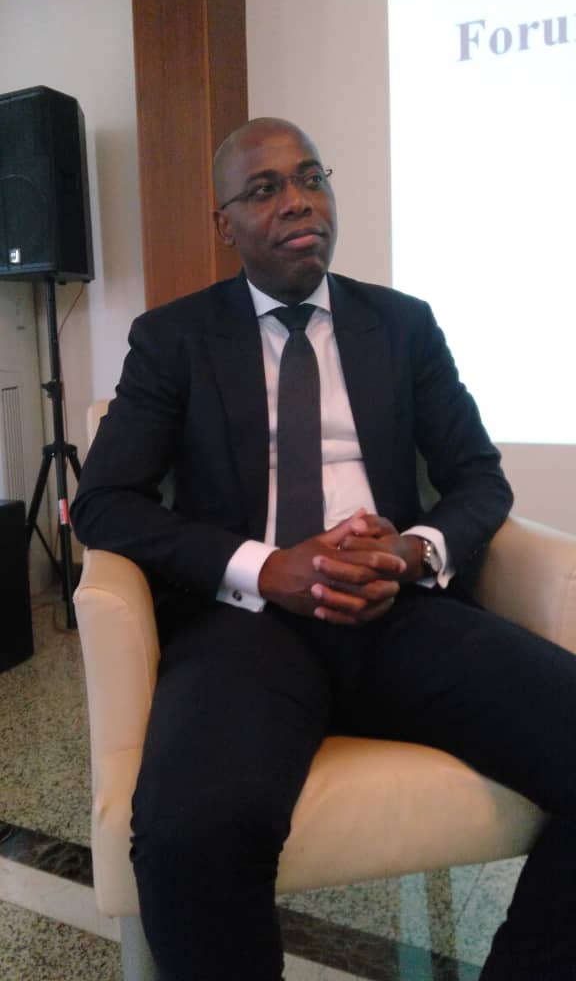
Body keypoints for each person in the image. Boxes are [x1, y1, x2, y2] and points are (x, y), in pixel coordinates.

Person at [71, 117, 576, 981]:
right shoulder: (175, 337)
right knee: (190, 836)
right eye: (265, 188)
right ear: (224, 222)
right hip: (244, 627)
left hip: (399, 613)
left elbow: (478, 479)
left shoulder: (402, 325)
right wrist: (264, 566)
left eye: (311, 178)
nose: (298, 201)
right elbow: (104, 503)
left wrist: (412, 551)